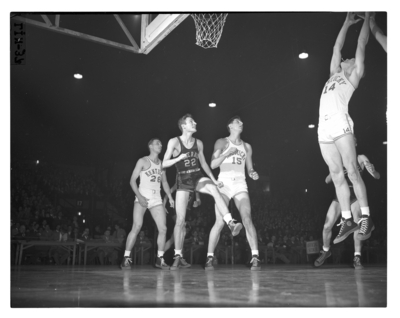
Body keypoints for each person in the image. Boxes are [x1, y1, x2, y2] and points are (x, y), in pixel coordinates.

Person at [317, 12, 373, 244]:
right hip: (323, 126)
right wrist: (346, 23)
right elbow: (336, 47)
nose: (345, 58)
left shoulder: (353, 76)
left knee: (351, 170)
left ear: (354, 67)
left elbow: (361, 43)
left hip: (340, 120)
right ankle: (348, 220)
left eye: (349, 59)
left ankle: (366, 218)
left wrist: (368, 16)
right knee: (337, 175)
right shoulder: (333, 74)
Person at [162, 113, 243, 270]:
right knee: (180, 221)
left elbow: (205, 164)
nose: (195, 123)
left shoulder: (198, 143)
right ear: (183, 126)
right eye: (191, 122)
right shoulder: (174, 141)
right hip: (183, 179)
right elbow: (164, 162)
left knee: (214, 190)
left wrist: (213, 179)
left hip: (197, 175)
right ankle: (177, 256)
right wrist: (178, 158)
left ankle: (230, 222)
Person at [205, 116, 261, 271]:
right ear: (230, 125)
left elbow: (249, 168)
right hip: (224, 183)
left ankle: (255, 257)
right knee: (219, 221)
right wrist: (227, 154)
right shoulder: (222, 142)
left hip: (240, 184)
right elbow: (213, 164)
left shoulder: (247, 146)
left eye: (242, 122)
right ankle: (209, 257)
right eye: (238, 122)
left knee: (247, 218)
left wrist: (252, 173)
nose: (241, 124)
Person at [315, 148, 380, 270]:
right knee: (327, 226)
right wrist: (332, 170)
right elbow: (327, 180)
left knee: (357, 223)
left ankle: (357, 257)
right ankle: (325, 251)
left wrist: (373, 170)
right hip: (341, 196)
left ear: (354, 144)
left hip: (355, 196)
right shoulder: (338, 160)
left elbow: (376, 176)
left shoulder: (361, 158)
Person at [120, 138, 174, 270]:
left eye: (161, 144)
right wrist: (139, 196)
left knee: (163, 229)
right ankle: (126, 258)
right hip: (142, 196)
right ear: (150, 146)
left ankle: (159, 259)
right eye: (157, 143)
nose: (160, 145)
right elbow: (132, 181)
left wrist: (170, 197)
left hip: (156, 198)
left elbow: (165, 182)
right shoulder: (142, 161)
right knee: (137, 226)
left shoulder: (162, 164)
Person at [162, 183, 201, 267]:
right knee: (179, 232)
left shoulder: (196, 184)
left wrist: (197, 202)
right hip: (177, 210)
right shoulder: (181, 181)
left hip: (186, 210)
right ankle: (161, 256)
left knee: (181, 234)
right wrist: (164, 204)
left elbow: (199, 199)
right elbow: (168, 192)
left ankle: (178, 257)